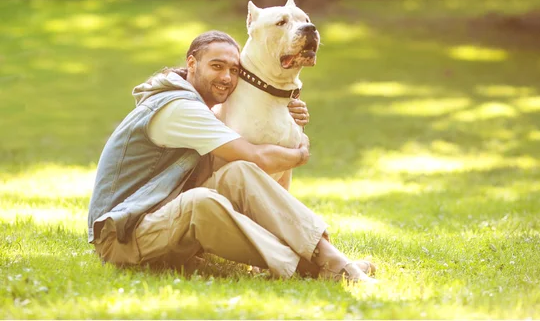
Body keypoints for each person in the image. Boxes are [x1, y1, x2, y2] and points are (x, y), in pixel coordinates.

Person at [87, 30, 376, 282]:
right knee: (200, 202)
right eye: (216, 66)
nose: (226, 77)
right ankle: (313, 269)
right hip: (121, 238)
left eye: (234, 70)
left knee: (239, 172)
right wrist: (300, 153)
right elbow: (257, 155)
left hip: (158, 223)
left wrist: (287, 115)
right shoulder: (177, 109)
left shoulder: (191, 103)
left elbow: (243, 144)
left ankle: (337, 261)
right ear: (192, 63)